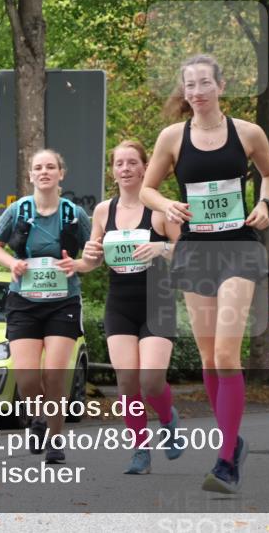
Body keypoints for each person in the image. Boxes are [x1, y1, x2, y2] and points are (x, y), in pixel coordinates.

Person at [142, 54, 269, 494]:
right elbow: (147, 188)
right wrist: (166, 205)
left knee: (225, 355)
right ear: (184, 92)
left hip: (239, 249)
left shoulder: (247, 133)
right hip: (196, 252)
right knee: (207, 360)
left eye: (205, 82)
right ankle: (232, 441)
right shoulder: (171, 138)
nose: (198, 91)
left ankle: (225, 463)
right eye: (190, 84)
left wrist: (264, 203)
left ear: (221, 86)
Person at [81, 140, 184, 475]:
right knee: (127, 382)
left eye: (131, 163)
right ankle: (140, 449)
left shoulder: (159, 211)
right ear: (113, 171)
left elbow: (187, 254)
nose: (125, 169)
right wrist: (84, 260)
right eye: (119, 164)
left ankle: (168, 420)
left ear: (144, 167)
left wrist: (160, 249)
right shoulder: (102, 211)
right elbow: (92, 260)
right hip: (120, 303)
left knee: (151, 381)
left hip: (157, 300)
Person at [0, 149, 91, 465]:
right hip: (24, 302)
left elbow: (94, 256)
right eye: (38, 168)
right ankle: (37, 418)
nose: (44, 172)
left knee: (55, 374)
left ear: (61, 174)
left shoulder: (75, 214)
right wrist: (12, 264)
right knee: (28, 376)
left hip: (63, 303)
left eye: (50, 167)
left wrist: (79, 264)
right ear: (30, 175)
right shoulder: (18, 211)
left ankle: (55, 441)